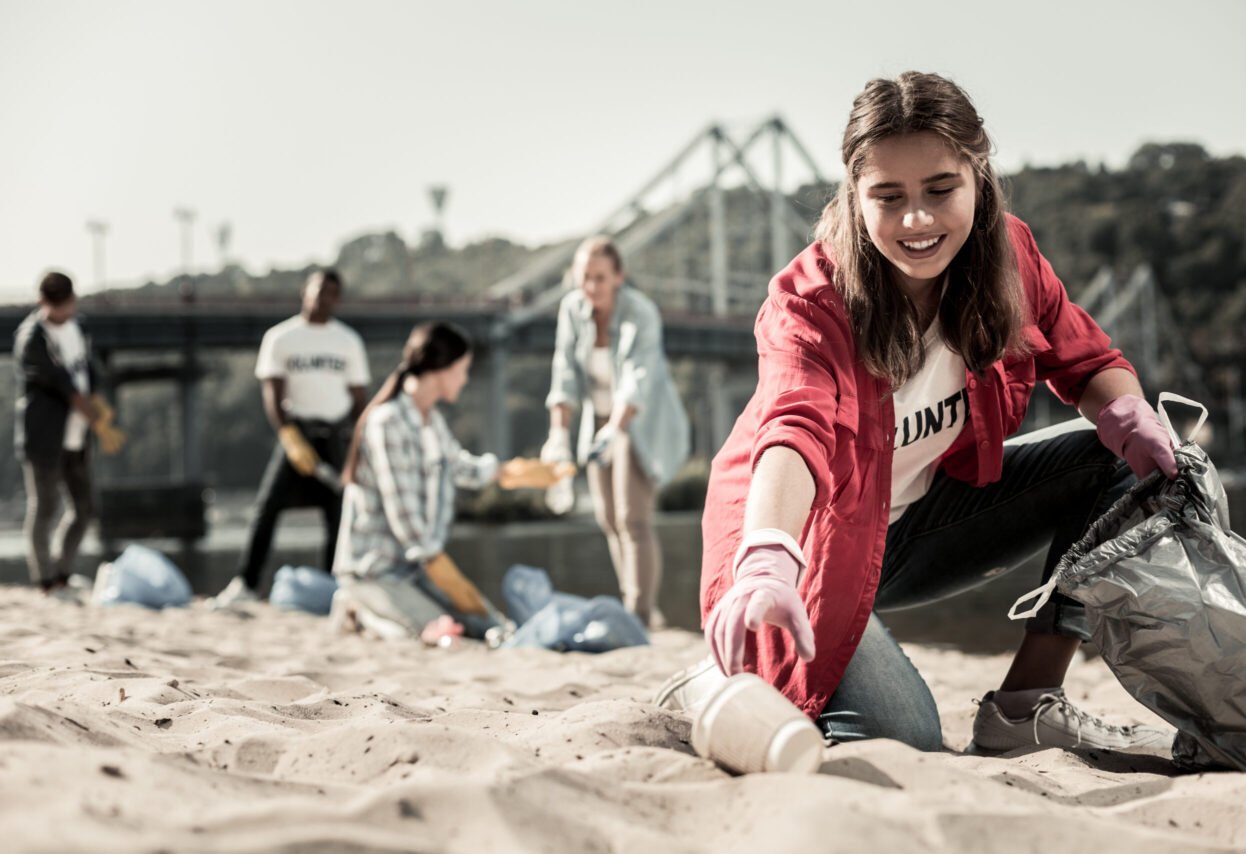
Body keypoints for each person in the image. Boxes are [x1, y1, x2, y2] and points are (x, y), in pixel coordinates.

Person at [688, 72, 1180, 754]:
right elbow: (791, 430)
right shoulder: (811, 300)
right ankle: (713, 677)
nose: (917, 220)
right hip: (801, 542)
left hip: (918, 525)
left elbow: (1091, 362)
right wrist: (769, 553)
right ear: (855, 197)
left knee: (1114, 462)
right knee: (901, 737)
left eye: (940, 190)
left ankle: (1024, 705)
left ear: (977, 175)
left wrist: (1130, 415)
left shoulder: (1011, 257)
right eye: (888, 198)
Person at [332, 322, 522, 641]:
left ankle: (383, 614)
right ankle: (356, 610)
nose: (464, 379)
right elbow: (403, 514)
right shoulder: (387, 423)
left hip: (415, 570)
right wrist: (441, 567)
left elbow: (459, 466)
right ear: (440, 370)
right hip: (374, 572)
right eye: (462, 370)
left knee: (489, 628)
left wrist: (506, 472)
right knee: (440, 634)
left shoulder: (431, 421)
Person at [541, 237, 690, 629]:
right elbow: (565, 375)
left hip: (637, 420)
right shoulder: (571, 310)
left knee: (633, 518)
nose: (591, 287)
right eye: (584, 278)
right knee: (607, 518)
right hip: (597, 420)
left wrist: (615, 429)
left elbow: (636, 381)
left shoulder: (640, 313)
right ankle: (635, 605)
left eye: (600, 278)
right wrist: (558, 434)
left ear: (618, 277)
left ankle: (639, 614)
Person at [213, 269, 370, 607]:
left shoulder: (347, 341)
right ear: (305, 291)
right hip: (296, 435)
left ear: (337, 299)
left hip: (336, 437)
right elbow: (272, 392)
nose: (322, 297)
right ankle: (246, 584)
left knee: (338, 515)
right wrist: (288, 435)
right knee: (267, 508)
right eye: (318, 289)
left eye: (331, 292)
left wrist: (360, 447)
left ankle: (332, 589)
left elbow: (359, 400)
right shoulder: (281, 338)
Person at [13, 271, 125, 597]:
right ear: (42, 303)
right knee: (44, 508)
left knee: (85, 507)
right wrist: (98, 421)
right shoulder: (31, 339)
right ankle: (45, 581)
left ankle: (63, 573)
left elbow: (87, 374)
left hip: (77, 437)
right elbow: (62, 385)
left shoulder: (80, 326)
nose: (63, 312)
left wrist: (99, 408)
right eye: (56, 307)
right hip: (45, 438)